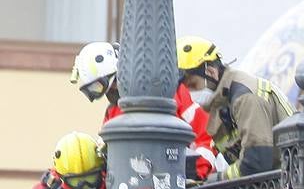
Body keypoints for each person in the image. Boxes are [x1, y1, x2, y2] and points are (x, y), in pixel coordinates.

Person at [70, 41, 218, 181]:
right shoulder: (112, 115)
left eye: (113, 84)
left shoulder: (169, 93)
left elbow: (205, 138)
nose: (112, 92)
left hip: (182, 187)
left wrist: (194, 174)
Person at [176, 36, 294, 181]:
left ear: (211, 72)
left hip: (298, 188)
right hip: (278, 188)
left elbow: (256, 161)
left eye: (193, 85)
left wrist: (217, 180)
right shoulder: (223, 103)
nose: (190, 93)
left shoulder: (245, 97)